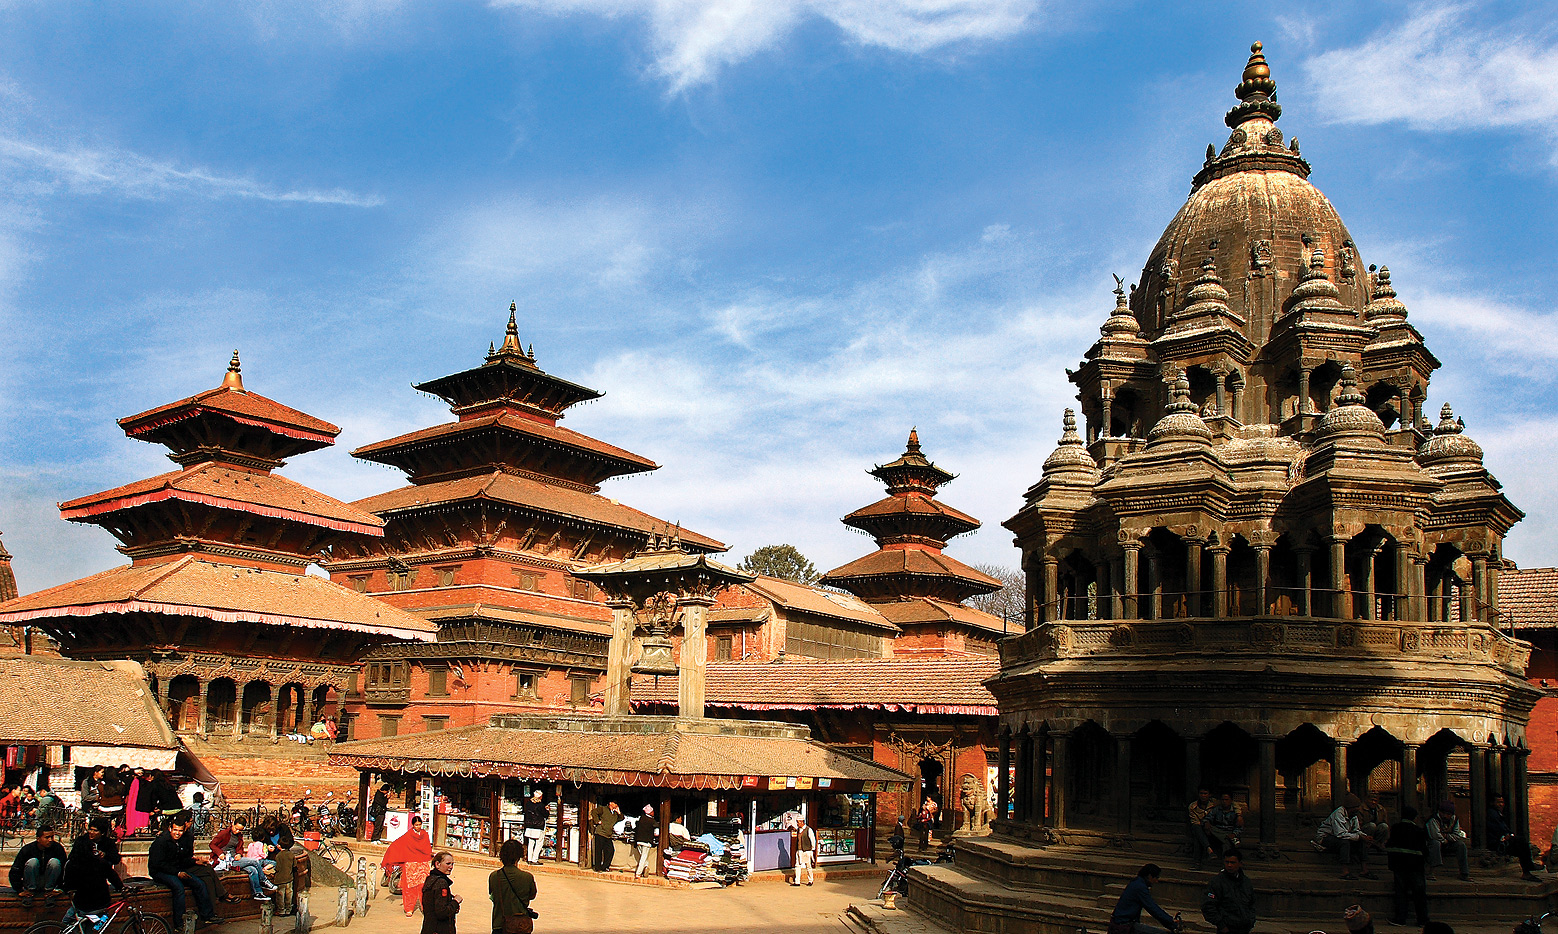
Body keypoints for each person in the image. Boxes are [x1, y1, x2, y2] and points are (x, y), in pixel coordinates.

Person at [148, 817, 216, 929]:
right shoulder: (161, 842)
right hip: (160, 872)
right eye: (175, 830)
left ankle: (207, 915)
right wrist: (177, 872)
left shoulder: (179, 842)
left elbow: (182, 860)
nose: (177, 833)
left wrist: (195, 861)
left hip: (175, 870)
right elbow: (158, 864)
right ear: (170, 829)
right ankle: (179, 923)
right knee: (178, 887)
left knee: (199, 883)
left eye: (180, 831)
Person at [63, 819, 123, 927]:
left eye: (95, 831)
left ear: (102, 833)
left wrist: (104, 855)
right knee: (98, 921)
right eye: (90, 829)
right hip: (95, 898)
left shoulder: (107, 844)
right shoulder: (82, 842)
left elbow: (115, 859)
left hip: (89, 890)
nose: (91, 832)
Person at [1385, 805, 1429, 928]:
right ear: (1414, 818)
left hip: (1399, 865)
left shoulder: (1395, 828)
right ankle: (1422, 920)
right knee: (1419, 893)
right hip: (1416, 866)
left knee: (1401, 892)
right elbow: (1425, 851)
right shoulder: (1419, 831)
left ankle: (1400, 919)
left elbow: (1390, 846)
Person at [212, 816, 275, 901]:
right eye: (236, 828)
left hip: (235, 858)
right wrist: (219, 853)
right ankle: (264, 880)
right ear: (233, 824)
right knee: (255, 861)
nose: (237, 831)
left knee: (253, 870)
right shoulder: (224, 833)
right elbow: (212, 844)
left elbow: (240, 848)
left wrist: (239, 854)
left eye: (240, 830)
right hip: (227, 860)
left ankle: (258, 893)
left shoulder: (239, 836)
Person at [1314, 793, 1376, 880]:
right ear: (1350, 808)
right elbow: (1340, 834)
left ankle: (1364, 870)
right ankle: (1345, 871)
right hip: (1326, 838)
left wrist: (1365, 837)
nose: (1357, 809)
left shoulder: (1353, 816)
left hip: (1342, 836)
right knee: (1345, 842)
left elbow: (1356, 830)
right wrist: (1359, 837)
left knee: (1362, 842)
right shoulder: (1338, 814)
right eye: (1356, 808)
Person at [383, 814, 434, 916]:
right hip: (410, 864)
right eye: (416, 825)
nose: (418, 827)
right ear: (412, 825)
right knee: (409, 888)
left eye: (419, 825)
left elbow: (427, 848)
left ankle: (425, 908)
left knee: (424, 887)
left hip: (422, 864)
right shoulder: (408, 835)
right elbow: (397, 845)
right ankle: (409, 908)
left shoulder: (425, 835)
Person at [1109, 863, 1179, 934]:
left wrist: (1169, 923)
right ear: (1150, 876)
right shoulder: (1140, 887)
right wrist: (1170, 921)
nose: (1156, 881)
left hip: (1122, 922)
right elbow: (1152, 908)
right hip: (1124, 925)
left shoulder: (1136, 882)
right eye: (1156, 877)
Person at [1200, 849, 1255, 934]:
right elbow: (1208, 905)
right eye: (1227, 862)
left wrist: (1250, 921)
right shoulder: (1217, 882)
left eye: (1233, 863)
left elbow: (1251, 904)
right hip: (1227, 928)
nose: (1229, 865)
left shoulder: (1246, 882)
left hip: (1244, 927)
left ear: (1240, 864)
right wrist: (1221, 925)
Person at [1487, 794, 1540, 881]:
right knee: (1521, 842)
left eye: (1502, 802)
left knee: (1521, 844)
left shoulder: (1498, 814)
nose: (1501, 804)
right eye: (1498, 802)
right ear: (1492, 803)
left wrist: (1510, 835)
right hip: (1496, 843)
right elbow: (1498, 830)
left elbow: (1506, 829)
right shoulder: (1492, 814)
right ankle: (1528, 868)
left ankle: (1527, 870)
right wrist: (1505, 836)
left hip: (1503, 841)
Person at [488, 839, 537, 934]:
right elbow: (532, 896)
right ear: (519, 856)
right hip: (520, 925)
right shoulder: (527, 877)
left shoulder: (494, 876)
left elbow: (493, 895)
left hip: (499, 924)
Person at [8, 823, 67, 901]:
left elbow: (66, 870)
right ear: (38, 839)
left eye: (52, 837)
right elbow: (15, 870)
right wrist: (19, 890)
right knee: (33, 862)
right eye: (47, 837)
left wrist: (61, 889)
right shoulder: (27, 850)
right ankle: (30, 891)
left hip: (50, 884)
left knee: (55, 862)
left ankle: (49, 891)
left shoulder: (58, 848)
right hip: (31, 882)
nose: (50, 840)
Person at [1426, 801, 1470, 881]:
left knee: (1461, 845)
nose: (1446, 816)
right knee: (1435, 843)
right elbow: (1435, 835)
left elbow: (1457, 835)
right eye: (1444, 813)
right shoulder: (1433, 819)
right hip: (1434, 843)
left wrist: (1446, 836)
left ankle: (1464, 873)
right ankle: (1431, 871)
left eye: (1448, 814)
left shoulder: (1454, 819)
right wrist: (1444, 839)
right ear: (1440, 812)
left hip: (1449, 842)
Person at [420, 852, 461, 934]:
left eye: (452, 864)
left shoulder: (431, 879)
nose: (451, 867)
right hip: (439, 928)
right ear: (437, 864)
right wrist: (455, 902)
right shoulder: (441, 883)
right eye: (448, 864)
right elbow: (442, 912)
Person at [1204, 793, 1243, 858]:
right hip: (1218, 831)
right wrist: (1207, 822)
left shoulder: (1235, 812)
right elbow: (1209, 817)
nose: (1224, 802)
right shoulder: (1217, 809)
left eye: (1226, 800)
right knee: (1210, 828)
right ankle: (1232, 839)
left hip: (1229, 831)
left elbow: (1239, 827)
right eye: (1223, 800)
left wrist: (1234, 834)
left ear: (1231, 800)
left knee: (1226, 843)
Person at [588, 800, 620, 872]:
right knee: (598, 851)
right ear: (610, 803)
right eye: (615, 803)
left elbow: (621, 818)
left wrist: (619, 812)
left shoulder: (615, 814)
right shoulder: (603, 809)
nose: (616, 805)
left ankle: (605, 866)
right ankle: (598, 868)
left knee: (610, 850)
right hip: (600, 833)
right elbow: (594, 812)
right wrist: (597, 821)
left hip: (608, 835)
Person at [1187, 788, 1216, 868]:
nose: (1203, 795)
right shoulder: (1193, 806)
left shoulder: (1214, 804)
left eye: (1205, 793)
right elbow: (1195, 822)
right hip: (1200, 829)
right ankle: (1209, 849)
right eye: (1201, 793)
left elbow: (1232, 803)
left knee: (1198, 836)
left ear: (1209, 795)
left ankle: (1197, 862)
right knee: (1197, 831)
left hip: (1213, 828)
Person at [521, 790, 549, 864]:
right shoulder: (540, 805)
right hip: (538, 826)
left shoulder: (528, 804)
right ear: (540, 796)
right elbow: (545, 814)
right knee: (539, 843)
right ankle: (535, 859)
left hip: (529, 826)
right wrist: (547, 810)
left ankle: (529, 859)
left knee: (531, 843)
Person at [633, 805, 657, 878]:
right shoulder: (652, 821)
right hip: (646, 842)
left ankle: (646, 867)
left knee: (643, 857)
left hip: (638, 841)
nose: (653, 813)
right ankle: (638, 873)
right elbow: (656, 830)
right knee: (643, 857)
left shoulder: (641, 819)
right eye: (652, 812)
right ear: (649, 813)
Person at [792, 817, 817, 887]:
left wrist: (812, 850)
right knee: (797, 865)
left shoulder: (809, 830)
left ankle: (810, 880)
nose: (797, 824)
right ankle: (797, 881)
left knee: (808, 866)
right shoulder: (798, 830)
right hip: (799, 850)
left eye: (798, 822)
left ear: (802, 822)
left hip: (807, 850)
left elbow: (812, 840)